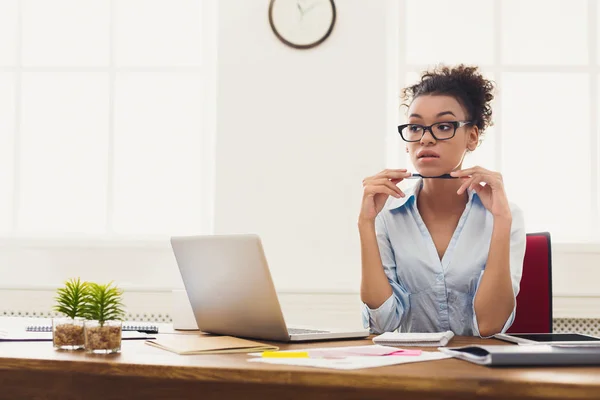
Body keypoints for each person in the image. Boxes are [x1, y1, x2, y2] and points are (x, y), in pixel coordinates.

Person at [359, 65, 525, 337]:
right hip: (408, 369)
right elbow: (383, 323)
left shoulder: (506, 215)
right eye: (415, 127)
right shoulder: (385, 215)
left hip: (480, 372)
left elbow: (489, 325)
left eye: (444, 126)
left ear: (472, 137)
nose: (426, 138)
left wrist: (502, 222)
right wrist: (365, 224)